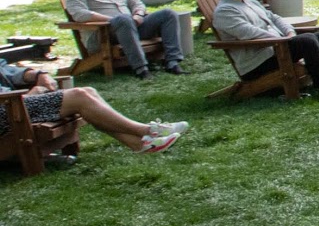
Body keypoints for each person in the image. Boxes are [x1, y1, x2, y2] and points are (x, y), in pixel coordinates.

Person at [0, 60, 187, 155]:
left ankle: (140, 143)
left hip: (15, 104)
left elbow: (5, 69)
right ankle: (147, 131)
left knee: (88, 91)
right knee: (80, 97)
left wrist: (36, 74)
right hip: (7, 109)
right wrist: (33, 93)